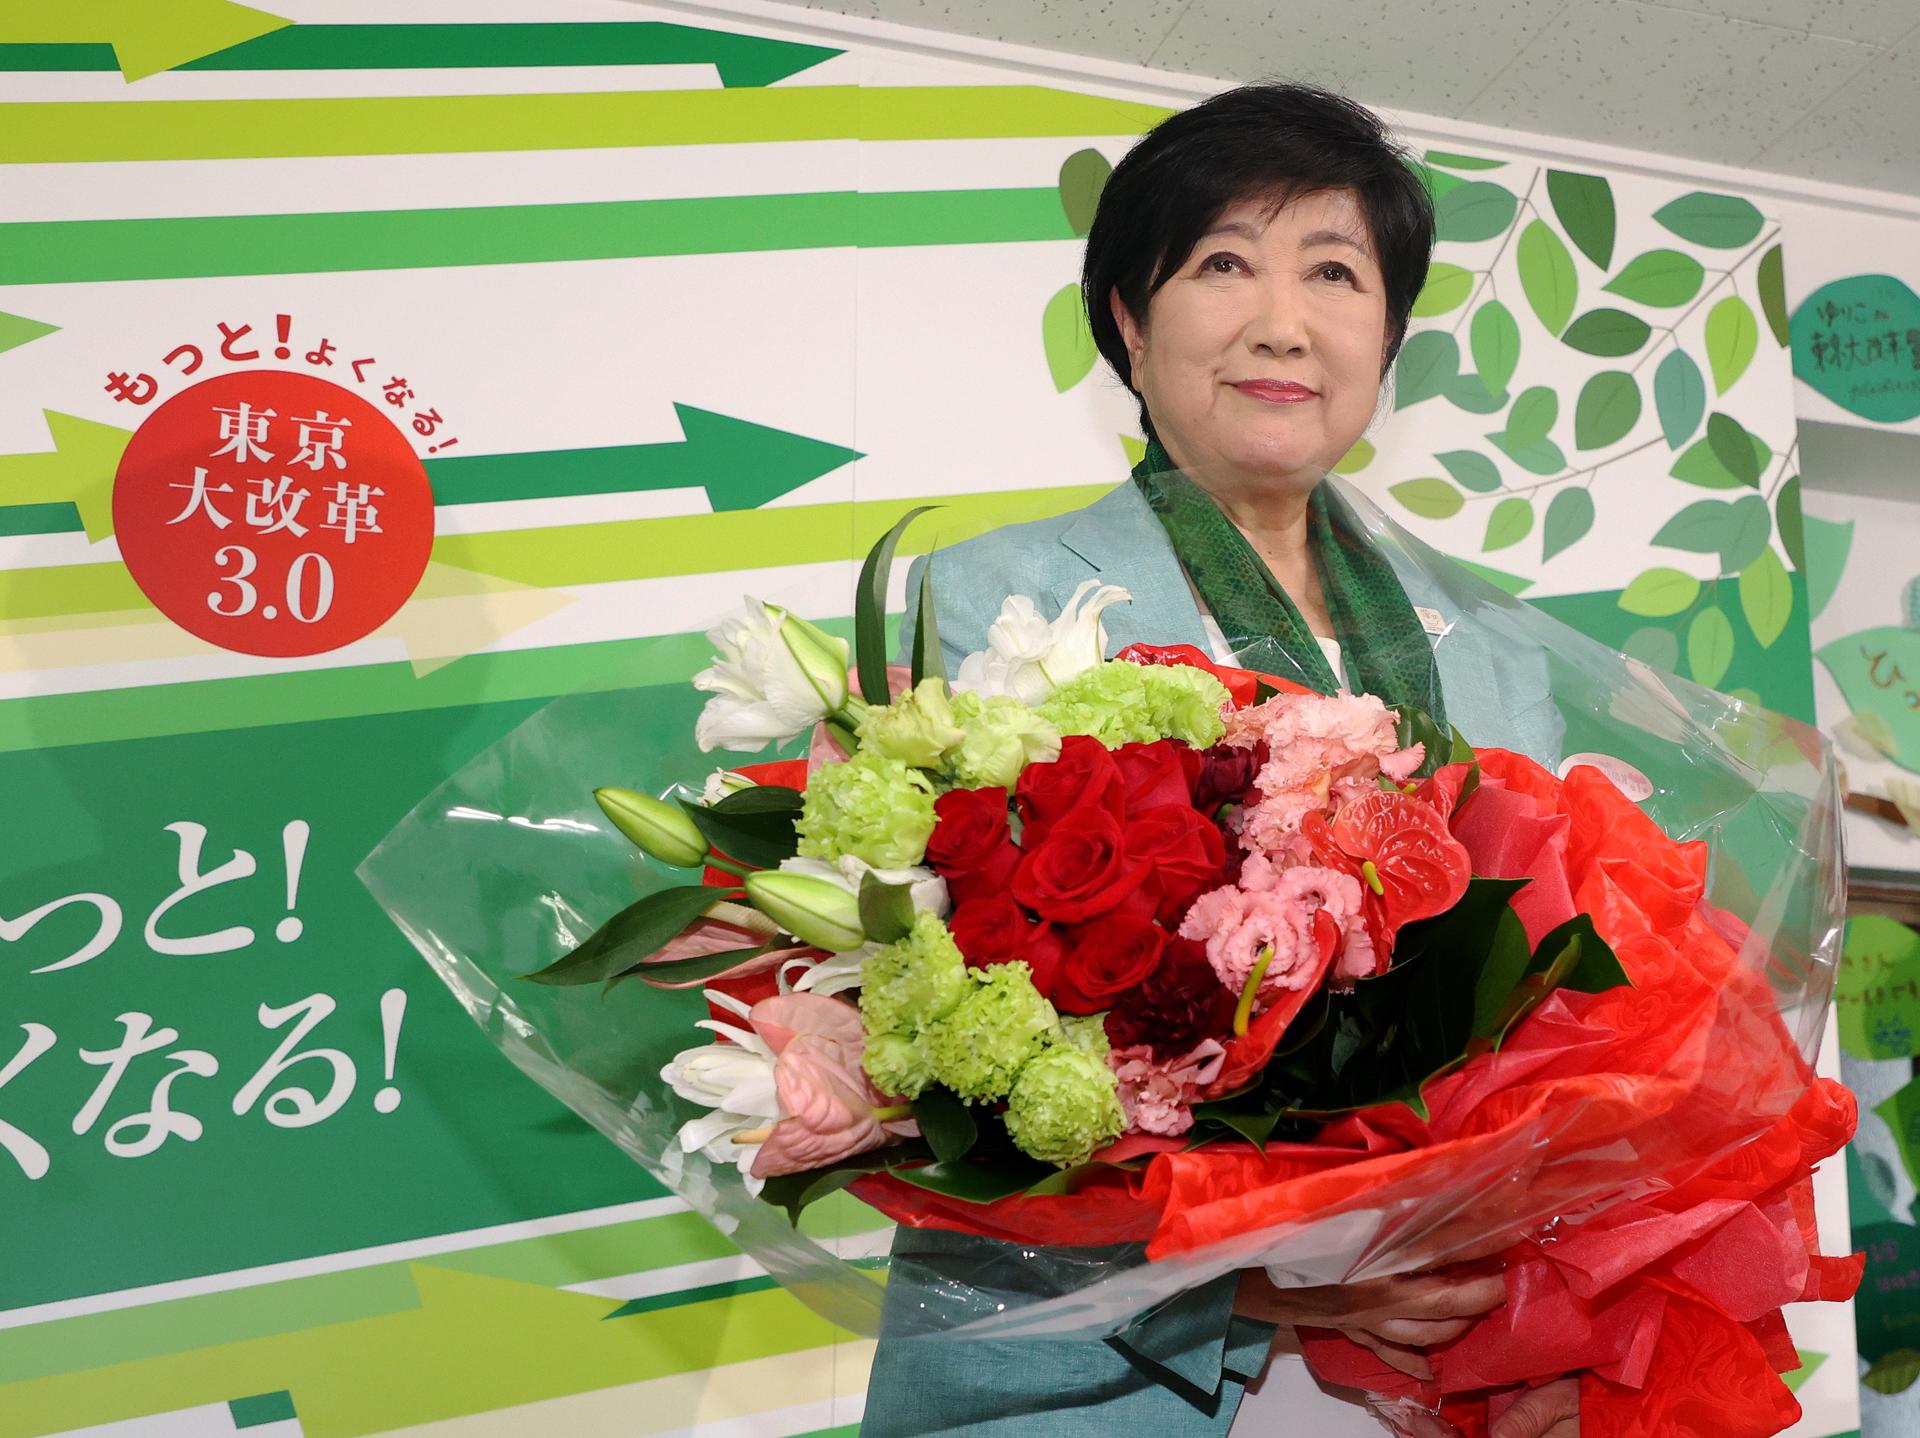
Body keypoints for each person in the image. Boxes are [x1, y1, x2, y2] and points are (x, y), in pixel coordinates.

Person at [864, 85, 1578, 1437]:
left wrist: (1551, 1322)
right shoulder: (974, 610)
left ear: (1388, 337)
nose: (1281, 321)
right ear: (1131, 322)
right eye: (1224, 264)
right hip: (1108, 1371)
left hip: (1434, 1370)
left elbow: (1574, 1040)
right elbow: (907, 1053)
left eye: (1333, 273)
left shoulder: (1501, 664)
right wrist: (1243, 1284)